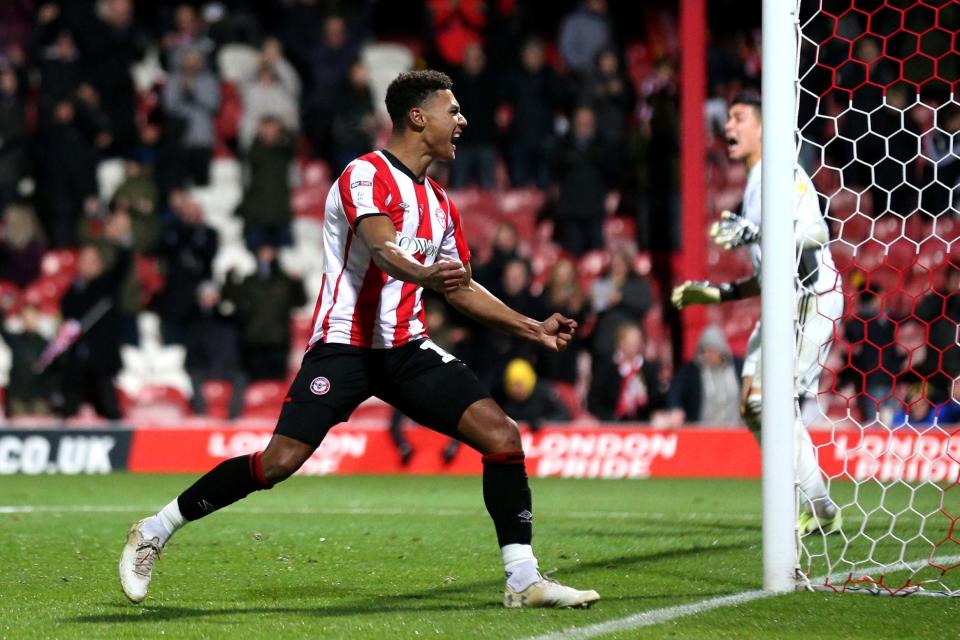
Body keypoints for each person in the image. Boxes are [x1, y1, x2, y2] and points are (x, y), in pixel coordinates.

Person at [120, 70, 599, 610]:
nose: (462, 121)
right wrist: (427, 277)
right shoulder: (364, 175)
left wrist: (530, 326)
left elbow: (461, 288)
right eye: (453, 110)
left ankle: (522, 579)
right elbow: (382, 248)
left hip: (405, 347)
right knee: (277, 463)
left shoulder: (439, 201)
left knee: (502, 436)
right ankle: (155, 530)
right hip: (343, 347)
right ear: (418, 117)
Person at [671, 90, 844, 536]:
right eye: (726, 118)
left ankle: (818, 507)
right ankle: (816, 503)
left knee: (769, 400)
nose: (727, 126)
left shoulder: (781, 172)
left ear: (764, 126)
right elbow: (769, 273)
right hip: (783, 299)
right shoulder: (753, 185)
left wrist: (752, 231)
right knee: (752, 405)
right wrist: (717, 294)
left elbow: (816, 232)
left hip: (810, 294)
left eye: (738, 117)